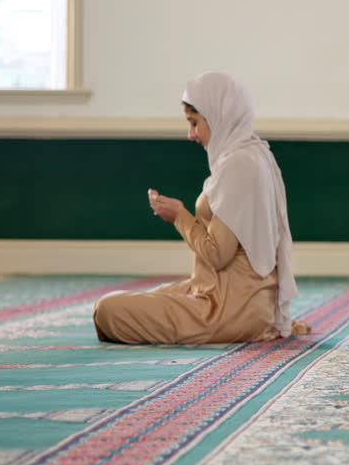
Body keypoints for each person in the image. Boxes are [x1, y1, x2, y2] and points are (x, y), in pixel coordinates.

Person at [94, 72, 307, 344]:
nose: (190, 134)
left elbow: (217, 254)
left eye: (194, 123)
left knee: (108, 309)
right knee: (150, 296)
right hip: (238, 297)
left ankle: (242, 324)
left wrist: (178, 216)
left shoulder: (238, 165)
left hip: (227, 309)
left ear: (218, 116)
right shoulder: (255, 154)